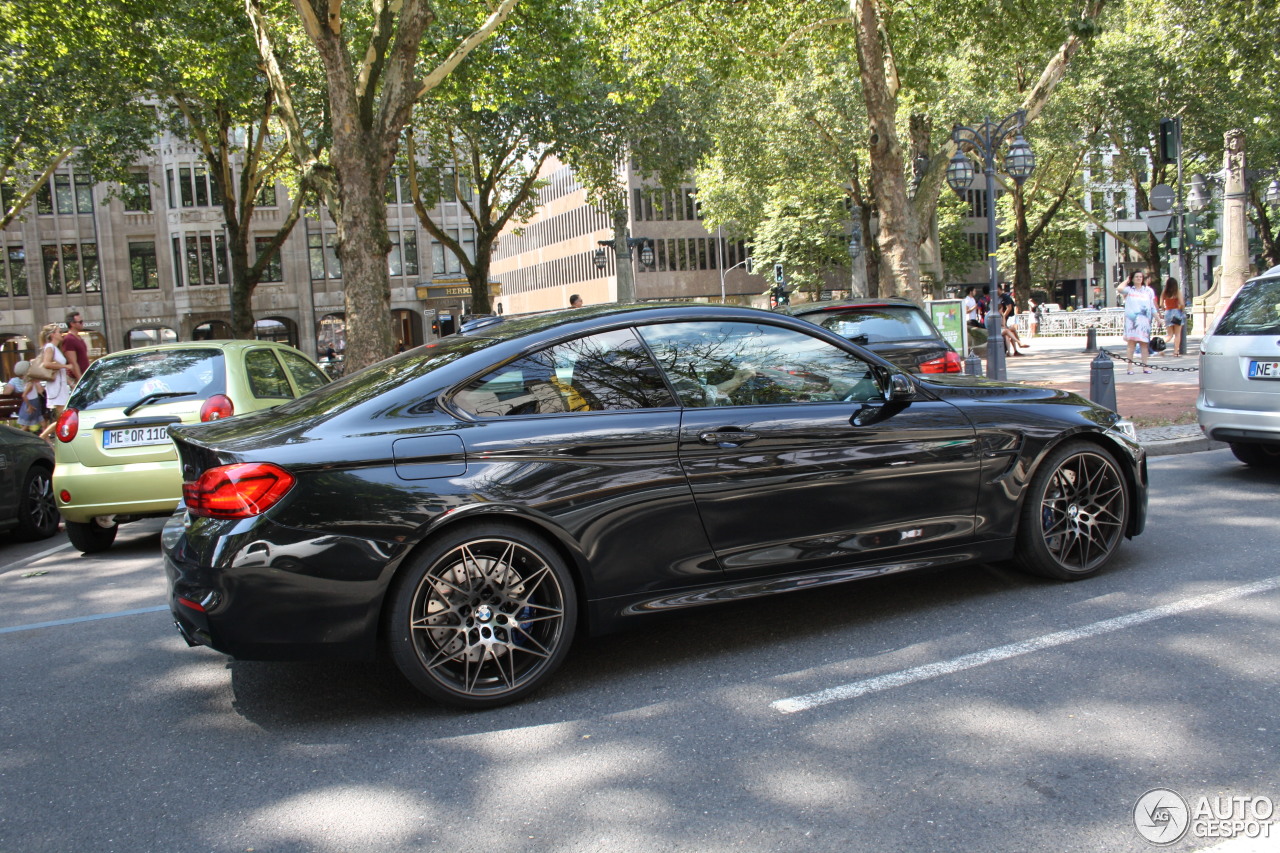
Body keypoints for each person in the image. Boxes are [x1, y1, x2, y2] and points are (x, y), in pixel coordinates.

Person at [1118, 271, 1158, 375]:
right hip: (1132, 322)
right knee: (1131, 345)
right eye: (1136, 277)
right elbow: (1119, 288)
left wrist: (1158, 318)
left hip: (1144, 321)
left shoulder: (1148, 291)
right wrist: (1127, 280)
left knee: (1144, 345)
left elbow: (1152, 306)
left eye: (1140, 277)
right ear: (1133, 278)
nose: (1139, 278)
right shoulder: (1129, 290)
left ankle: (1145, 367)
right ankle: (1130, 367)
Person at [37, 322, 72, 439]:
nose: (61, 334)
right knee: (64, 416)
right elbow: (46, 363)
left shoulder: (55, 348)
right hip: (56, 386)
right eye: (59, 332)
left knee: (64, 416)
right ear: (53, 335)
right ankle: (43, 436)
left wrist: (71, 382)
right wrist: (65, 366)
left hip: (60, 385)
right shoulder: (50, 347)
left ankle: (45, 436)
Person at [7, 361, 45, 434]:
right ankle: (16, 436)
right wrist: (30, 406)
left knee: (40, 423)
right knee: (28, 425)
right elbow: (41, 391)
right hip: (31, 405)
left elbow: (6, 393)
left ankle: (45, 437)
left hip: (28, 405)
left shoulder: (17, 381)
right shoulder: (30, 384)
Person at [61, 310, 89, 385]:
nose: (82, 324)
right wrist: (80, 381)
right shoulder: (69, 339)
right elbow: (73, 362)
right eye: (80, 322)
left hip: (84, 376)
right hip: (77, 379)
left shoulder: (78, 337)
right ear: (72, 324)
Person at [1159, 277, 1186, 356]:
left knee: (1169, 335)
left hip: (1168, 312)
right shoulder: (1177, 292)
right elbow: (1182, 304)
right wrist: (1181, 308)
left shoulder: (1164, 292)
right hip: (1176, 312)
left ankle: (1160, 347)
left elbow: (1161, 304)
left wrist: (1165, 309)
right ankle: (1175, 352)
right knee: (1177, 334)